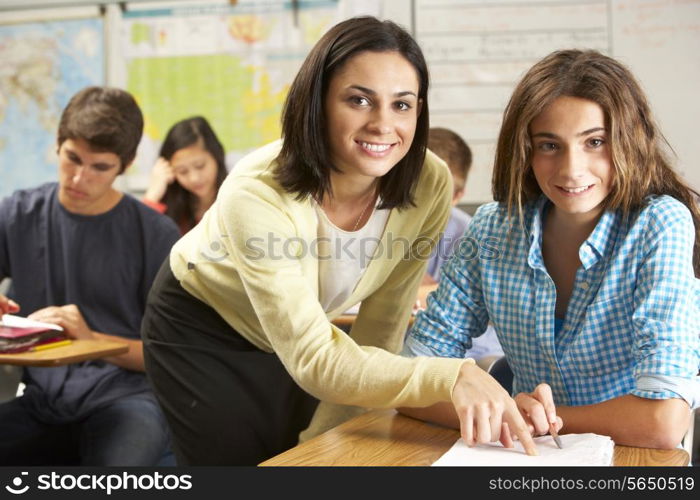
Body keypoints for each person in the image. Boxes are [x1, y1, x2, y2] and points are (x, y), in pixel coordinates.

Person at [141, 16, 538, 466]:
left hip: (307, 338)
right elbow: (313, 358)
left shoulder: (429, 182)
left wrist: (322, 443)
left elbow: (381, 327)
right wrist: (451, 376)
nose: (382, 125)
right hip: (203, 331)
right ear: (318, 102)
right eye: (359, 100)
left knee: (313, 454)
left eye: (402, 105)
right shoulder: (255, 191)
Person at [401, 49, 700, 449]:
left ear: (629, 141)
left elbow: (663, 422)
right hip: (520, 459)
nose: (572, 169)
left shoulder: (658, 224)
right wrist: (509, 413)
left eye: (595, 142)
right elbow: (409, 382)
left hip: (629, 459)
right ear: (525, 151)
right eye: (549, 145)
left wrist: (533, 419)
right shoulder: (493, 227)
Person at [0, 86, 180, 465]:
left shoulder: (156, 234)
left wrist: (92, 338)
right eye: (72, 159)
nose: (79, 178)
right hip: (43, 400)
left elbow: (171, 358)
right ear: (58, 144)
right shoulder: (17, 213)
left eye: (100, 167)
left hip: (128, 400)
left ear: (126, 165)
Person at [415, 127, 503, 364]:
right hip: (416, 349)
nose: (424, 205)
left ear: (457, 196)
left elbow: (471, 303)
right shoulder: (384, 230)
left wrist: (419, 291)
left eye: (438, 196)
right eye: (415, 191)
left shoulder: (471, 234)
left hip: (477, 351)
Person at [142, 116, 227, 234]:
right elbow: (135, 241)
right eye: (182, 171)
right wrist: (152, 196)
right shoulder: (169, 207)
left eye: (200, 166)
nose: (194, 178)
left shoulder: (238, 196)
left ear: (217, 156)